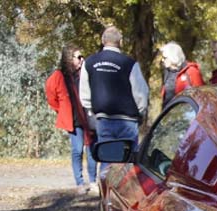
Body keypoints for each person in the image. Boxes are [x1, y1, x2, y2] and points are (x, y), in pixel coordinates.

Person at [79, 26, 149, 151]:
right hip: (128, 121)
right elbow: (141, 93)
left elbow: (84, 94)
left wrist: (92, 113)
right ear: (120, 42)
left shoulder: (89, 63)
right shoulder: (129, 64)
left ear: (102, 40)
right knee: (128, 162)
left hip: (103, 119)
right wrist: (140, 113)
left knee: (107, 158)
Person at [45, 45, 96, 194]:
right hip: (73, 120)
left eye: (82, 57)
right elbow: (51, 96)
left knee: (92, 150)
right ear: (69, 59)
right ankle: (80, 183)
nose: (81, 60)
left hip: (88, 118)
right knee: (77, 150)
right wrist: (62, 111)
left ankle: (93, 181)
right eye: (78, 57)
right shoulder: (58, 76)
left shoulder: (85, 74)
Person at [159, 42, 204, 108]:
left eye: (165, 57)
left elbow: (200, 95)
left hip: (186, 113)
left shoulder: (191, 71)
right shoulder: (167, 72)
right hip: (169, 113)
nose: (162, 60)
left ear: (173, 56)